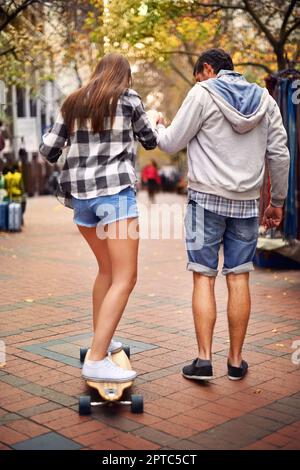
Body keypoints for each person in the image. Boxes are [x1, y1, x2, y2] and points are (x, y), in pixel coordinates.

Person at [156, 48, 290, 381]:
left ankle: (203, 360)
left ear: (206, 69)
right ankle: (235, 360)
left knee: (203, 275)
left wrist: (157, 126)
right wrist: (277, 201)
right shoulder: (265, 100)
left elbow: (171, 143)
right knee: (239, 276)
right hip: (246, 204)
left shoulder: (202, 93)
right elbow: (280, 153)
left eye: (197, 74)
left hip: (205, 201)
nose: (197, 80)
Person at [39, 53, 158, 383]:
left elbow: (48, 150)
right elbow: (150, 139)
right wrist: (156, 120)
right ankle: (95, 358)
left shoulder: (74, 101)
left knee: (106, 270)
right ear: (125, 75)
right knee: (126, 277)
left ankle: (100, 341)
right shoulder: (128, 98)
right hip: (115, 195)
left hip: (82, 201)